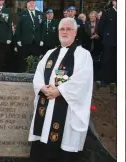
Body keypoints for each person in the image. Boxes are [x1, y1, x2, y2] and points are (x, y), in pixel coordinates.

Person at [29, 17, 93, 162]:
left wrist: (60, 91)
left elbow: (82, 80)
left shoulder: (83, 55)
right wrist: (42, 87)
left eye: (68, 29)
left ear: (75, 32)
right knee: (42, 145)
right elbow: (38, 73)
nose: (65, 32)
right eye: (62, 29)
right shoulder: (50, 53)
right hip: (46, 105)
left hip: (65, 109)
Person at [16, 0, 44, 72]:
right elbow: (18, 28)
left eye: (33, 3)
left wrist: (42, 39)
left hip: (36, 41)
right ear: (27, 4)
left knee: (36, 59)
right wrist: (18, 39)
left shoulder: (40, 14)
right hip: (25, 41)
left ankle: (35, 73)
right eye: (30, 3)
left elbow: (42, 28)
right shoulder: (21, 14)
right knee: (24, 59)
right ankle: (23, 73)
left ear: (35, 4)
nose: (31, 4)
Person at [96, 0, 117, 87]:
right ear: (113, 2)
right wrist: (105, 35)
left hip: (118, 41)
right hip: (109, 41)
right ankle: (105, 80)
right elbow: (100, 26)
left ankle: (114, 80)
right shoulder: (107, 12)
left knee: (115, 61)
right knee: (107, 60)